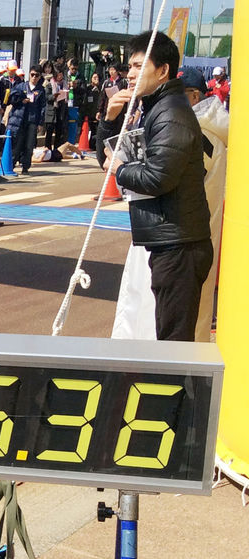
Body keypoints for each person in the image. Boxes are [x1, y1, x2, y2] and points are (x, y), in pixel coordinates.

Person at [102, 31, 212, 342]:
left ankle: (175, 392)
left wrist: (121, 170)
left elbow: (158, 178)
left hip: (180, 245)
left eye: (139, 66)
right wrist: (110, 119)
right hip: (169, 240)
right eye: (129, 68)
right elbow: (108, 159)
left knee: (173, 342)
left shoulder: (171, 114)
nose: (131, 74)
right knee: (166, 334)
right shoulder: (154, 108)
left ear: (163, 71)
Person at [7, 65, 47, 175]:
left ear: (39, 77)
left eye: (36, 75)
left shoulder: (41, 91)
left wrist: (40, 123)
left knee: (29, 145)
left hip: (32, 120)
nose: (34, 77)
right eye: (32, 74)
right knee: (17, 143)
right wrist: (21, 100)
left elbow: (43, 107)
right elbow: (11, 99)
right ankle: (12, 164)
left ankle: (25, 167)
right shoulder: (21, 86)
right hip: (20, 118)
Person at [44, 68, 67, 150]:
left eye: (61, 74)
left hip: (60, 111)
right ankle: (48, 150)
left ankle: (57, 150)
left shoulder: (64, 84)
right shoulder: (50, 84)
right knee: (49, 132)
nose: (60, 76)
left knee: (59, 132)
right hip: (51, 111)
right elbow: (47, 97)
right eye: (58, 75)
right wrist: (54, 96)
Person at [81, 73, 101, 150]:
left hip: (98, 112)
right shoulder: (88, 88)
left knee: (98, 130)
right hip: (90, 113)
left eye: (97, 77)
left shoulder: (101, 88)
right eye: (94, 77)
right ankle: (92, 145)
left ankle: (97, 145)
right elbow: (85, 101)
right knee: (92, 130)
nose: (96, 79)